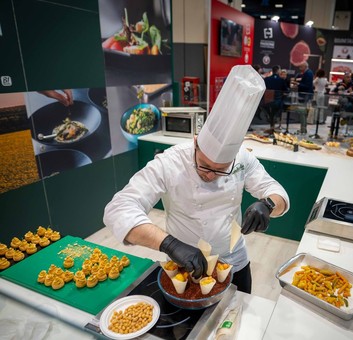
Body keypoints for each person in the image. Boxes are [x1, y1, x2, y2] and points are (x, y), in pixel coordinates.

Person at [103, 65, 290, 294]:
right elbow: (118, 209)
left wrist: (268, 205)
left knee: (237, 319)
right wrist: (169, 244)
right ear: (195, 143)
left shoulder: (242, 159)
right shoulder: (169, 162)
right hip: (185, 266)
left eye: (221, 170)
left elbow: (276, 191)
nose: (211, 175)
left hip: (234, 260)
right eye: (204, 165)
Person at [263, 65, 288, 134]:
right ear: (278, 71)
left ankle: (272, 126)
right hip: (277, 101)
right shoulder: (281, 80)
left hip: (267, 101)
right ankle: (273, 127)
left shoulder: (266, 79)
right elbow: (286, 90)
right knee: (275, 112)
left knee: (270, 113)